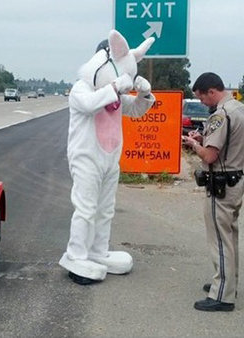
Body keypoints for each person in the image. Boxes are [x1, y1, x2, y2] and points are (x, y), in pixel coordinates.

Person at [59, 30, 155, 285]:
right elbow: (90, 104)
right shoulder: (82, 88)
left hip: (110, 158)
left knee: (105, 209)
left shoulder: (114, 93)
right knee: (86, 208)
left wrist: (145, 95)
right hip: (86, 157)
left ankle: (98, 252)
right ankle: (76, 255)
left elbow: (135, 110)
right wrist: (114, 86)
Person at [182, 72, 244, 311]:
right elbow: (228, 140)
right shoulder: (240, 108)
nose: (203, 103)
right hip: (236, 180)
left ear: (212, 91)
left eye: (202, 98)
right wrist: (204, 136)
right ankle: (228, 284)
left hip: (221, 184)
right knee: (230, 238)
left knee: (220, 241)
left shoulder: (220, 115)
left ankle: (222, 296)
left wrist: (194, 145)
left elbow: (210, 155)